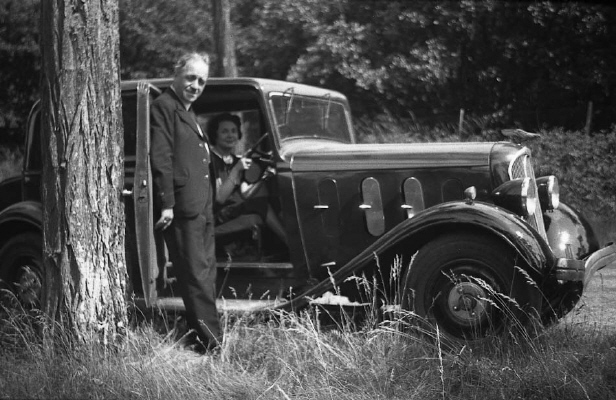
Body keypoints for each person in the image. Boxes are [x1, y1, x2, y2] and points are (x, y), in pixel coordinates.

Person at [150, 52, 220, 353]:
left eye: (201, 81)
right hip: (183, 205)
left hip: (202, 205)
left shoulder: (189, 112)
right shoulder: (164, 106)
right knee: (195, 274)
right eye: (191, 78)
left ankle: (199, 333)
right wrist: (167, 203)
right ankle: (212, 343)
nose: (196, 85)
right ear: (176, 74)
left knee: (207, 272)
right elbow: (162, 157)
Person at [207, 112, 287, 245]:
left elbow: (245, 193)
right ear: (215, 134)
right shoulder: (211, 161)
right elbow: (220, 198)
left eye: (233, 131)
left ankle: (285, 247)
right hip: (218, 213)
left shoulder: (236, 160)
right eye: (224, 131)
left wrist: (264, 177)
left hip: (236, 209)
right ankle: (289, 243)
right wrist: (236, 169)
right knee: (260, 204)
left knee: (273, 201)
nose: (230, 135)